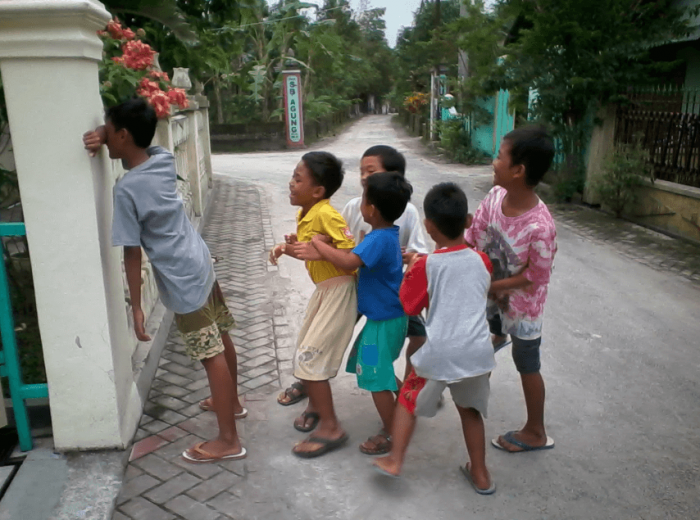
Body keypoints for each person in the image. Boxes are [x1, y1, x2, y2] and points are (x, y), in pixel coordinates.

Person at [83, 98, 245, 463]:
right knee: (220, 334)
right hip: (200, 260)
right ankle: (232, 403)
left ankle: (228, 440)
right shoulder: (162, 160)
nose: (104, 137)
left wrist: (137, 307)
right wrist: (104, 132)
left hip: (182, 278)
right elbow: (143, 143)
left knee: (210, 354)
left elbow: (132, 251)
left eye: (108, 131)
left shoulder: (126, 190)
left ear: (123, 135)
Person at [372, 182, 496, 494]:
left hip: (440, 352)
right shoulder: (482, 260)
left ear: (428, 226)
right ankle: (480, 473)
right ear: (467, 221)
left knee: (407, 401)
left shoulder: (428, 264)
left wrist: (412, 270)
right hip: (478, 352)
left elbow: (409, 305)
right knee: (470, 411)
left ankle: (395, 460)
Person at [465, 125, 557, 453]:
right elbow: (473, 234)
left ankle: (535, 431)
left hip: (523, 307)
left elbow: (535, 276)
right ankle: (497, 335)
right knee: (486, 334)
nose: (493, 162)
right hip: (492, 295)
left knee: (526, 360)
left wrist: (493, 284)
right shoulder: (494, 197)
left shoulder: (540, 227)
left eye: (500, 156)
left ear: (518, 170)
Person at [308, 172, 411, 455]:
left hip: (383, 322)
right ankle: (406, 404)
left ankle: (391, 433)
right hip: (385, 320)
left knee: (375, 378)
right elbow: (354, 255)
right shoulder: (385, 235)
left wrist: (318, 243)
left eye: (363, 200)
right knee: (379, 369)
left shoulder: (378, 239)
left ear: (372, 209)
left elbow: (348, 262)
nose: (360, 205)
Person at [269, 151, 357, 458]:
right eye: (293, 177)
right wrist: (287, 248)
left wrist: (322, 251)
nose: (291, 184)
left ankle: (331, 427)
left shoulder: (326, 214)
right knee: (306, 351)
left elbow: (351, 255)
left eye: (297, 178)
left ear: (318, 191)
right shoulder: (307, 213)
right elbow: (311, 250)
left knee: (311, 357)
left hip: (340, 291)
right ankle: (318, 408)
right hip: (324, 291)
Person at [341, 145, 429, 383]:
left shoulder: (405, 213)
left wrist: (405, 263)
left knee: (415, 338)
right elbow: (340, 241)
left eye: (370, 171)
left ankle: (406, 385)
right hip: (358, 290)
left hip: (389, 297)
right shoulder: (353, 207)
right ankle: (312, 383)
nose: (363, 177)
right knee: (333, 335)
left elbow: (419, 252)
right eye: (361, 171)